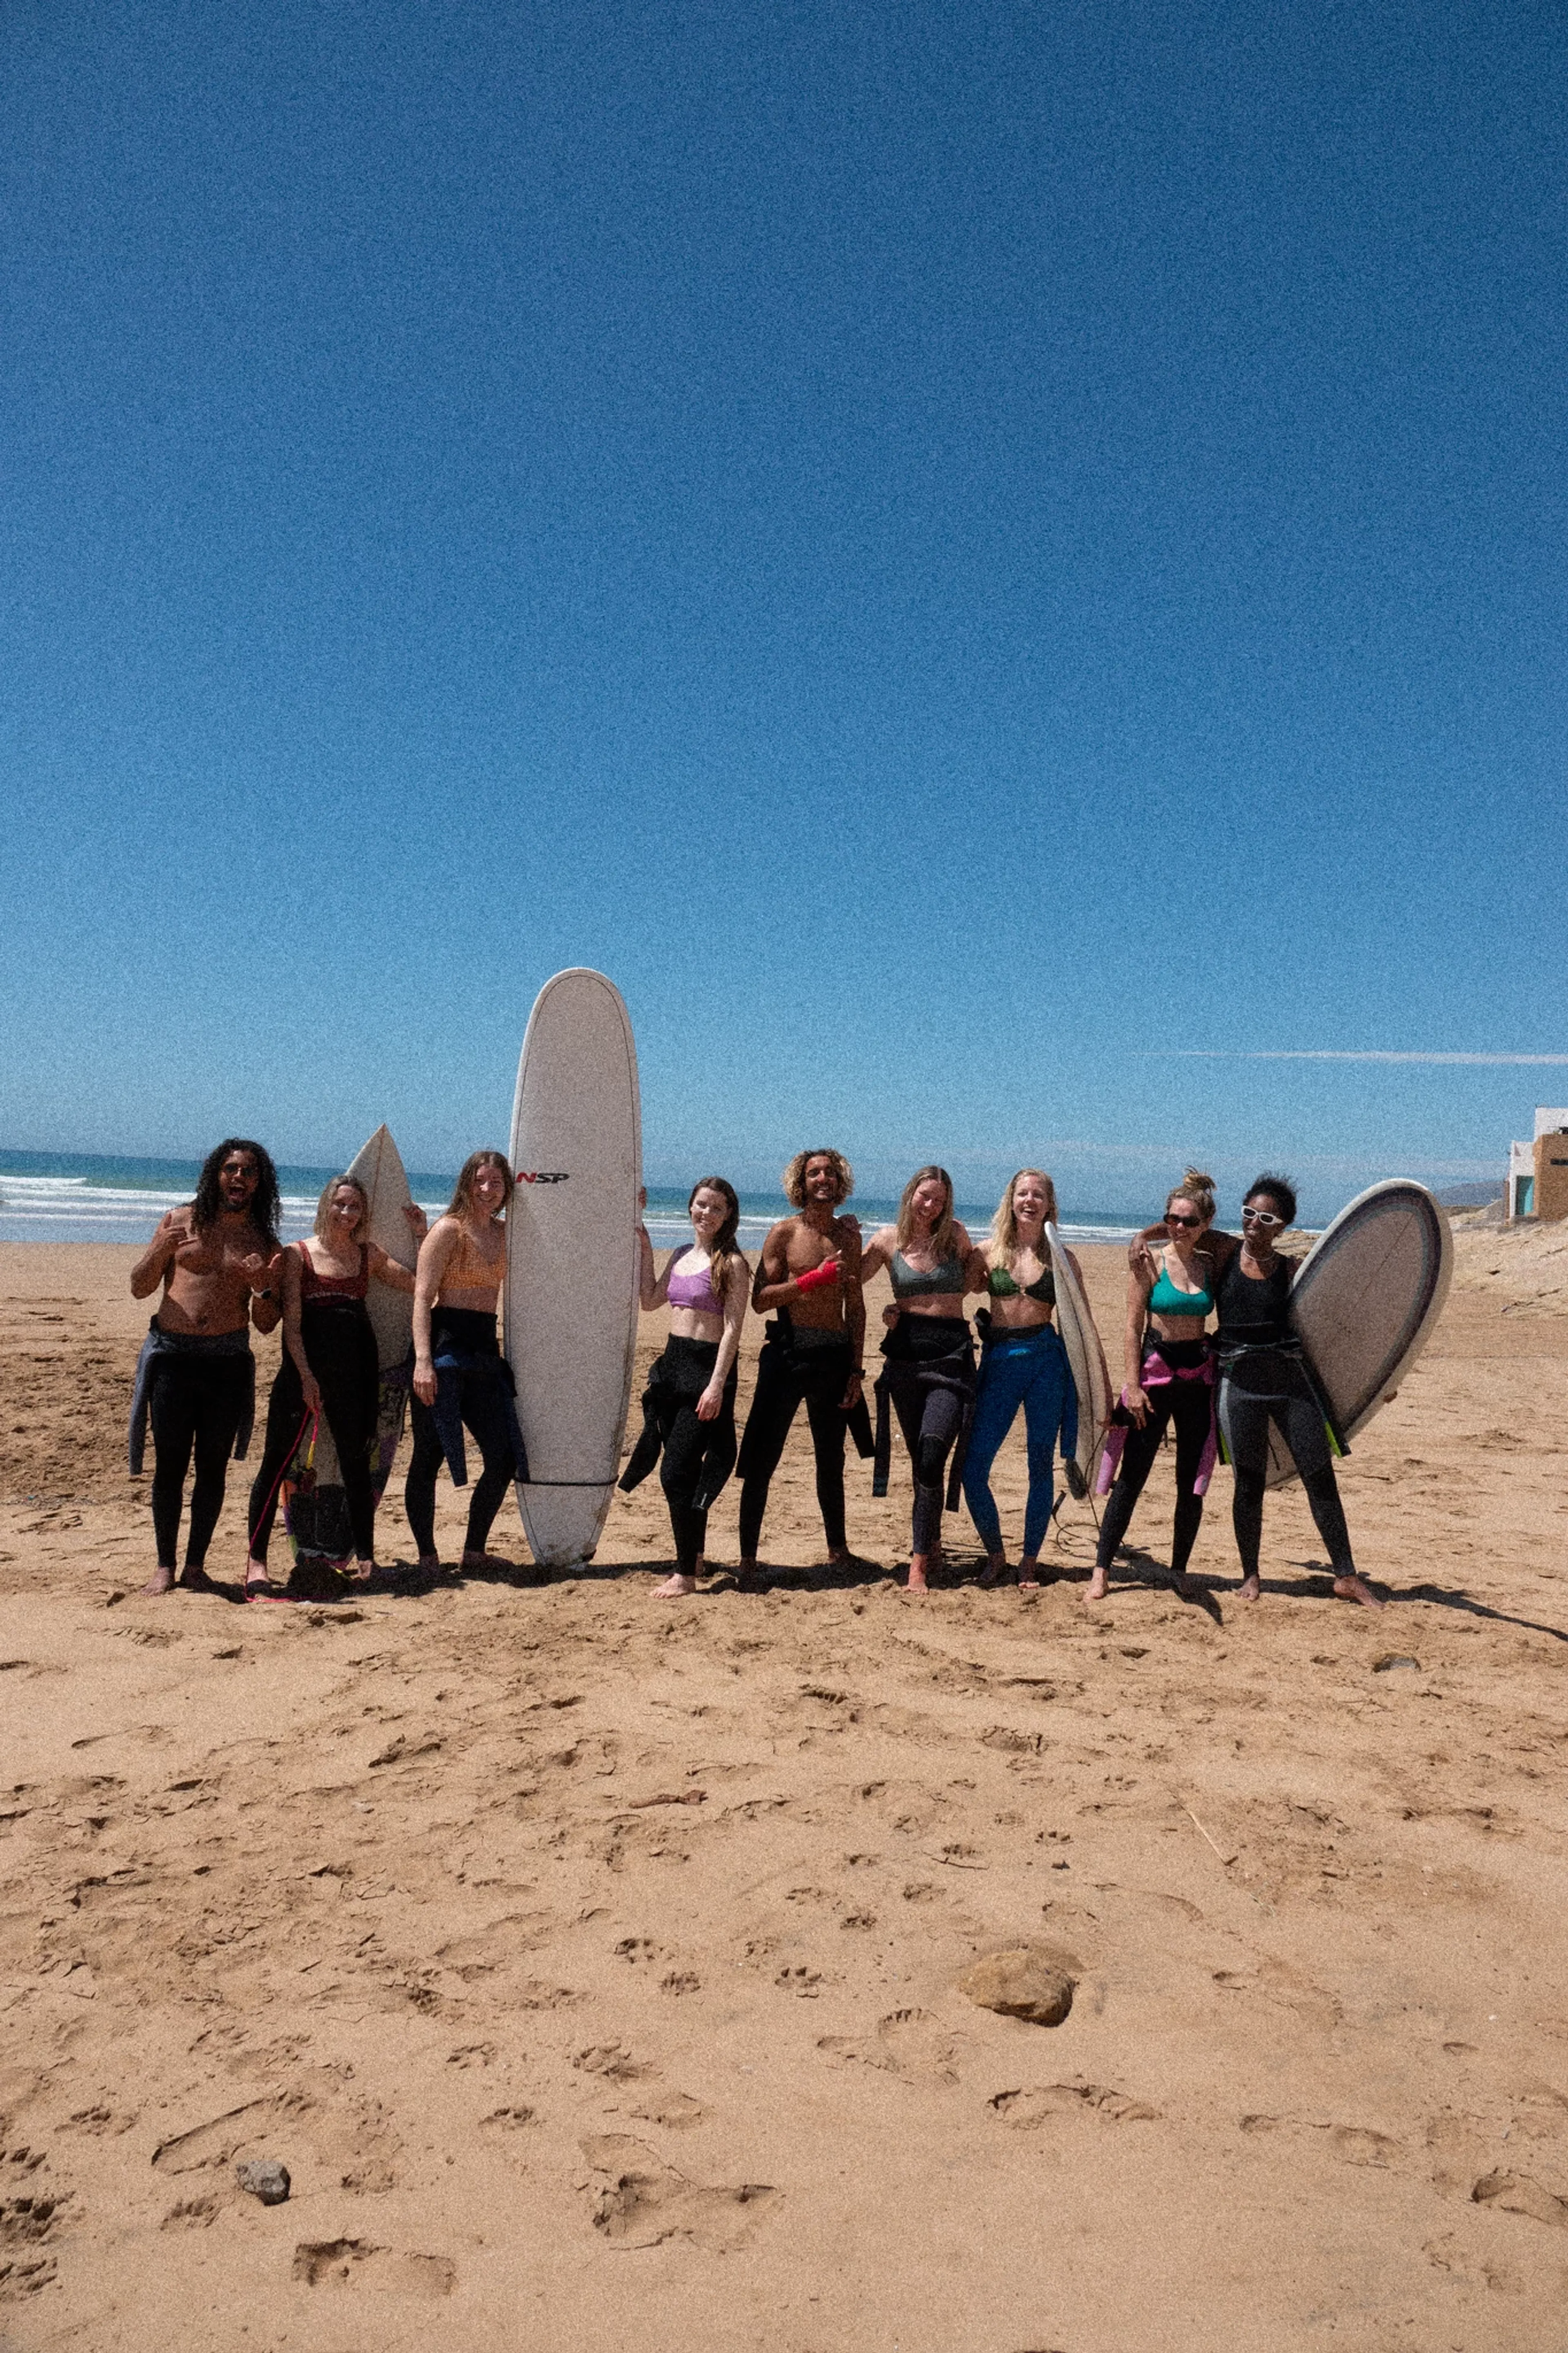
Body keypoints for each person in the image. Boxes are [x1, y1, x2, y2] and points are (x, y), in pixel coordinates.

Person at [1132, 1173, 1381, 1608]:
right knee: (1248, 1482)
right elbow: (1183, 1225)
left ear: (1282, 1225)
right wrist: (1141, 1235)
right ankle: (1251, 1573)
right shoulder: (1226, 1252)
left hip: (1289, 1383)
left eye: (1266, 1217)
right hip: (1238, 1381)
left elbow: (1335, 1326)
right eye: (1249, 1213)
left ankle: (1345, 1574)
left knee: (1318, 1474)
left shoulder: (1290, 1269)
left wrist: (1376, 1381)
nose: (1254, 1223)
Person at [243, 1174, 427, 1598]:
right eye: (340, 1204)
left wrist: (422, 1234)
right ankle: (256, 1562)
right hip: (303, 1375)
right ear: (327, 1204)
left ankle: (367, 1560)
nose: (347, 1213)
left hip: (357, 1375)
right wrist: (307, 1378)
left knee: (356, 1467)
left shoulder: (368, 1255)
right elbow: (293, 1324)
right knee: (275, 1466)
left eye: (355, 1207)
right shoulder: (298, 1254)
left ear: (363, 1214)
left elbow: (418, 1284)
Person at [128, 1139, 285, 1595]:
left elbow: (267, 1324)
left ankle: (195, 1565)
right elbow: (140, 1287)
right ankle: (164, 1565)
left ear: (260, 1182)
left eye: (249, 1172)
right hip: (173, 1359)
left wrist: (261, 1288)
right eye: (231, 1169)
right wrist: (160, 1248)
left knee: (213, 1469)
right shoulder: (179, 1221)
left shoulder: (262, 1242)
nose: (239, 1178)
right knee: (170, 1467)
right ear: (217, 1173)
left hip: (226, 1364)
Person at [735, 1149, 868, 1585]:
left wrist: (856, 1370)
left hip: (833, 1357)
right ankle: (749, 1557)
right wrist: (814, 1279)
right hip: (789, 1354)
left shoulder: (849, 1236)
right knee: (763, 1456)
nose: (823, 1179)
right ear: (802, 1182)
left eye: (830, 1172)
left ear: (840, 1181)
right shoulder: (783, 1234)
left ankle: (838, 1548)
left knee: (832, 1458)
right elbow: (759, 1301)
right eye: (814, 1173)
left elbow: (858, 1308)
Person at [1090, 1169, 1220, 1602]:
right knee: (1134, 1476)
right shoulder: (1149, 1262)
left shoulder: (1210, 1262)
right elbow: (1131, 1328)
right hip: (1157, 1374)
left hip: (1197, 1378)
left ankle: (1180, 1568)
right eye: (1171, 1219)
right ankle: (1102, 1569)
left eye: (1188, 1220)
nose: (1178, 1227)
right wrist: (1134, 1385)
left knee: (1191, 1482)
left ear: (1204, 1224)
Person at [860, 1166, 987, 1592]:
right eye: (924, 1196)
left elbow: (980, 1275)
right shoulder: (885, 1240)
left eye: (938, 1199)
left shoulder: (956, 1235)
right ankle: (930, 1543)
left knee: (933, 1455)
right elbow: (849, 1278)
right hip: (906, 1357)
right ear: (910, 1193)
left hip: (951, 1354)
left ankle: (917, 1564)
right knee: (921, 1462)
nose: (929, 1205)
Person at [621, 1179, 750, 1596]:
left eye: (716, 1208)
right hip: (673, 1368)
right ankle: (693, 1556)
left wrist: (716, 1386)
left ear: (728, 1214)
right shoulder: (679, 1255)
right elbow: (650, 1299)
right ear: (690, 1207)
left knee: (674, 1474)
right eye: (700, 1205)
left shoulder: (731, 1262)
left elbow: (733, 1330)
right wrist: (642, 1239)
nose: (706, 1214)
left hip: (706, 1372)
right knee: (686, 1472)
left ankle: (685, 1575)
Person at [405, 1150, 530, 1576]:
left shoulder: (506, 1232)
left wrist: (629, 1206)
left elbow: (568, 1230)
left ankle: (474, 1552)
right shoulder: (448, 1230)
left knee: (503, 1457)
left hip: (483, 1352)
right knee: (429, 1454)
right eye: (480, 1180)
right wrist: (423, 1361)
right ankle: (427, 1556)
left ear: (507, 1189)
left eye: (496, 1183)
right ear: (466, 1182)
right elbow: (422, 1297)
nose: (487, 1189)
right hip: (442, 1348)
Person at [962, 1169, 1080, 1592]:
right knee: (973, 1468)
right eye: (1023, 1193)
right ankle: (996, 1554)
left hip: (1046, 1363)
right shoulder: (987, 1253)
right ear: (1011, 1200)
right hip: (1000, 1362)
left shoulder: (1062, 1259)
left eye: (1039, 1194)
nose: (1030, 1200)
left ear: (1050, 1204)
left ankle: (1029, 1559)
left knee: (1039, 1465)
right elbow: (946, 1289)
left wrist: (1089, 1389)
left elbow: (1080, 1329)